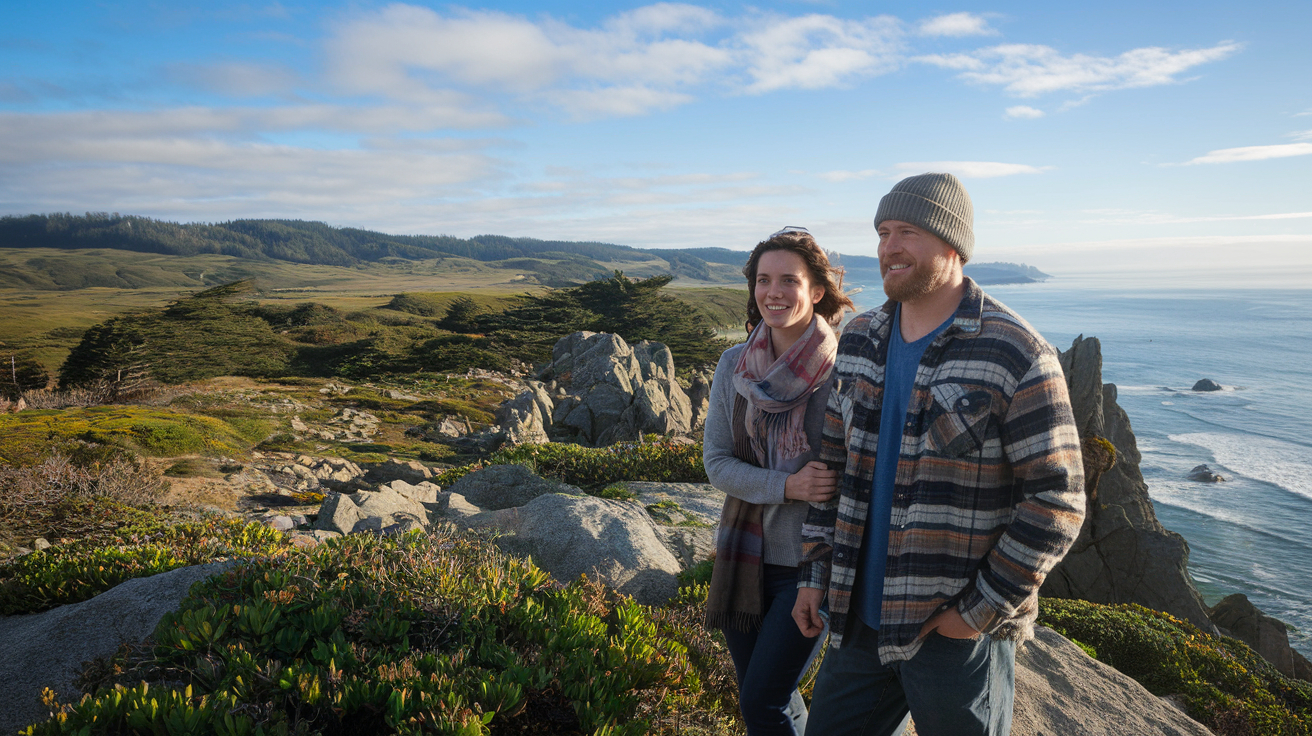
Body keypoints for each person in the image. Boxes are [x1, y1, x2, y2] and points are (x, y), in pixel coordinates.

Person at [791, 173, 1086, 736]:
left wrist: (972, 616)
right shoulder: (858, 339)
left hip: (951, 639)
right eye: (882, 232)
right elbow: (830, 468)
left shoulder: (1014, 350)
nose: (888, 247)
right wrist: (813, 575)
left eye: (907, 231)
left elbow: (1058, 499)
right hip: (856, 620)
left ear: (953, 244)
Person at [704, 226, 854, 736]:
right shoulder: (734, 365)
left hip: (812, 564)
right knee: (766, 697)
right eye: (763, 280)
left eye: (789, 280)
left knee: (763, 702)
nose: (774, 292)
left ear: (816, 290)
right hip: (746, 558)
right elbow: (717, 463)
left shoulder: (845, 371)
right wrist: (787, 486)